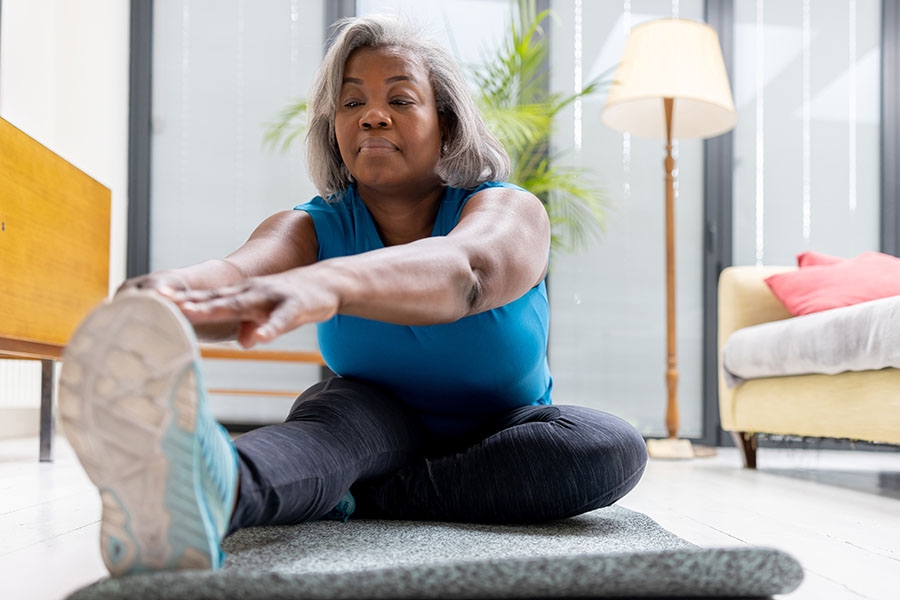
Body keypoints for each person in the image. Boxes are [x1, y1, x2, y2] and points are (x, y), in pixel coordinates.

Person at [58, 13, 648, 577]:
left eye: (400, 100)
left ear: (446, 123)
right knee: (325, 433)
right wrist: (168, 296)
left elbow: (466, 271)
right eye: (351, 103)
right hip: (370, 418)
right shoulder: (313, 226)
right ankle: (207, 491)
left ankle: (359, 494)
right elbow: (237, 276)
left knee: (607, 447)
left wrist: (327, 283)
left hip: (504, 428)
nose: (373, 117)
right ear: (334, 127)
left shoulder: (506, 210)